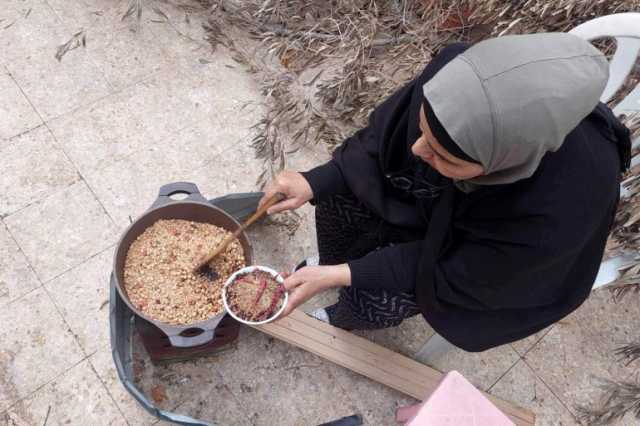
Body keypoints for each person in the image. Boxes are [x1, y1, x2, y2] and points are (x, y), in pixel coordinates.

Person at [258, 33, 631, 352]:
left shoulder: (561, 210)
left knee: (381, 294)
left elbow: (459, 273)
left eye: (441, 154)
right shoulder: (456, 73)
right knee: (338, 197)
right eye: (422, 130)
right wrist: (317, 180)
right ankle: (329, 266)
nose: (417, 150)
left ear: (505, 165)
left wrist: (350, 275)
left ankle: (344, 313)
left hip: (474, 254)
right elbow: (382, 139)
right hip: (439, 199)